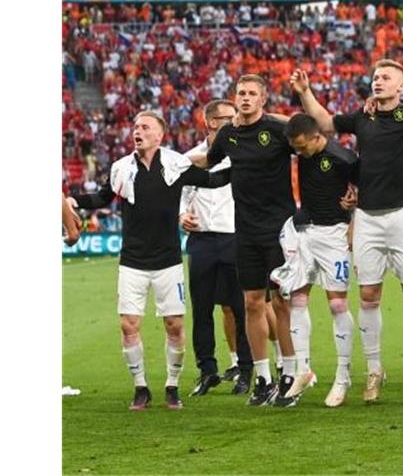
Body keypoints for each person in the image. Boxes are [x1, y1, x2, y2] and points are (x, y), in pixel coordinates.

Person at [291, 61, 403, 400]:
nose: (378, 82)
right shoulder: (362, 117)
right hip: (367, 217)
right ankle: (373, 370)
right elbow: (325, 123)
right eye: (375, 78)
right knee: (369, 297)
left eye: (386, 78)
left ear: (401, 86)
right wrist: (305, 92)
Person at [69, 111, 230, 411]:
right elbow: (102, 198)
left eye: (145, 127)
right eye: (135, 127)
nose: (137, 131)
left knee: (174, 325)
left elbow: (212, 179)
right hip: (132, 261)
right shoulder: (120, 168)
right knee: (129, 326)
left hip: (168, 261)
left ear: (160, 135)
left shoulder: (176, 164)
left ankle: (172, 386)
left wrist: (246, 166)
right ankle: (140, 387)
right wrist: (73, 200)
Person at [198, 74, 297, 407]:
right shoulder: (227, 135)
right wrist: (173, 162)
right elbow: (209, 163)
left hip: (280, 229)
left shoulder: (279, 131)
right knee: (252, 303)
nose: (245, 98)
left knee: (282, 303)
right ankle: (263, 377)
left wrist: (280, 117)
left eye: (252, 93)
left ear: (263, 98)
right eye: (241, 93)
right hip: (246, 230)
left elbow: (310, 130)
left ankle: (290, 375)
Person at [275, 113, 359, 407]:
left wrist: (353, 220)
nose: (298, 153)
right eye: (294, 148)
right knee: (297, 299)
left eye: (301, 147)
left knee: (337, 304)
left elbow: (364, 191)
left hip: (335, 234)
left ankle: (343, 377)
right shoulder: (304, 147)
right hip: (305, 232)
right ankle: (303, 369)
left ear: (316, 137)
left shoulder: (343, 158)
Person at [180, 99, 253, 397]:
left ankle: (246, 370)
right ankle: (207, 370)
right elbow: (179, 195)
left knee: (240, 308)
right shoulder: (190, 158)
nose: (232, 122)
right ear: (209, 122)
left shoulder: (244, 155)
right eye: (225, 118)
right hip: (201, 240)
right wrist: (181, 215)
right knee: (201, 309)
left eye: (234, 117)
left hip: (235, 238)